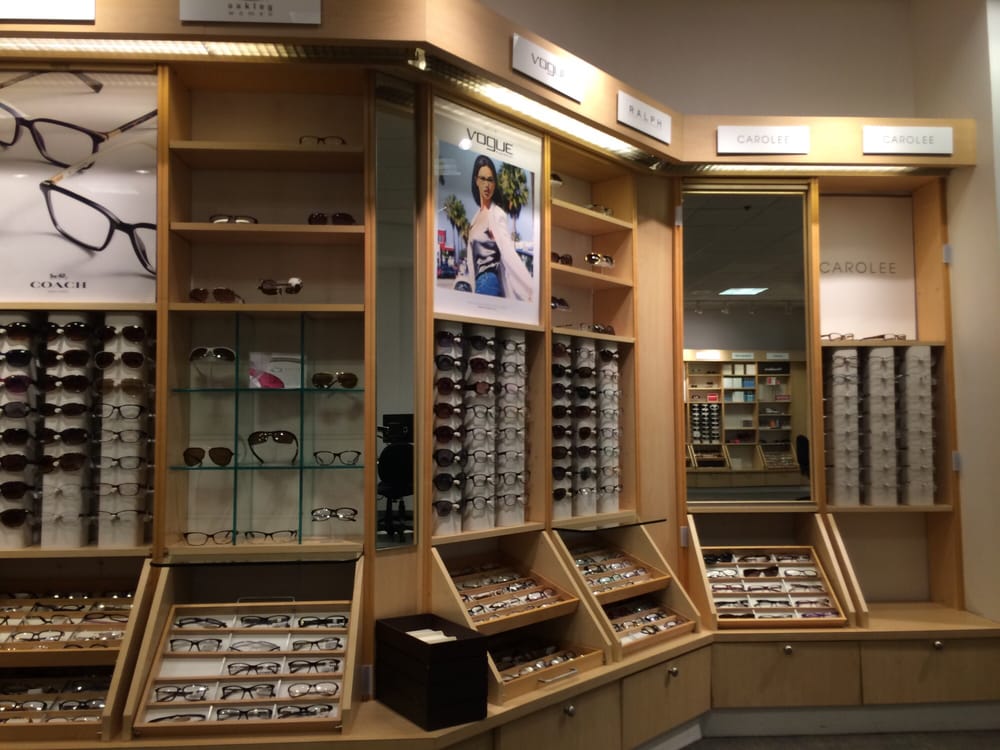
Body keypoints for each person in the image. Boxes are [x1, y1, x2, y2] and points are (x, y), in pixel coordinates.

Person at [466, 154, 533, 300]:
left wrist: (530, 289)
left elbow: (507, 251)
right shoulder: (475, 219)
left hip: (490, 283)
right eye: (483, 179)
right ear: (476, 180)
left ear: (495, 184)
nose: (487, 185)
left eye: (490, 180)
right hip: (478, 286)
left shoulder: (496, 215)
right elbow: (471, 262)